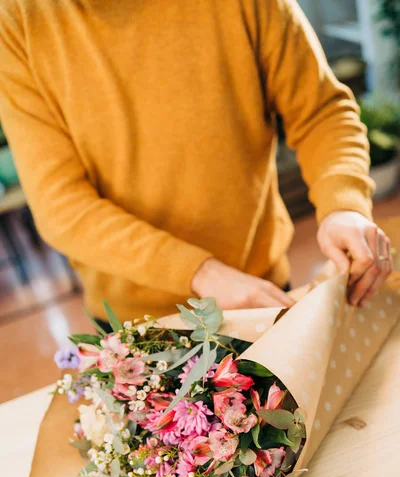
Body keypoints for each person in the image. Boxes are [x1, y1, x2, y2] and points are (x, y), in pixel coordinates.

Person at [0, 0, 393, 324]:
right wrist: (199, 272)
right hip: (137, 321)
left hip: (259, 289)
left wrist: (342, 206)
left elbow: (321, 111)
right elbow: (60, 206)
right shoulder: (16, 20)